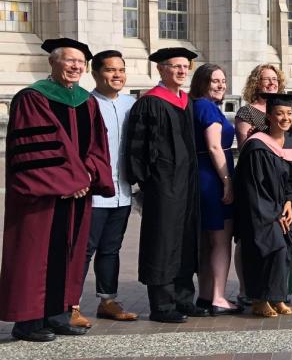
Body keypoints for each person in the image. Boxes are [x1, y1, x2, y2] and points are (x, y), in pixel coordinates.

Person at [0, 39, 115, 342]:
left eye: (81, 62)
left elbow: (97, 146)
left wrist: (87, 176)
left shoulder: (87, 101)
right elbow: (37, 150)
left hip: (77, 193)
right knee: (35, 255)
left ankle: (59, 314)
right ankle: (28, 322)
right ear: (53, 63)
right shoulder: (32, 98)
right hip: (43, 196)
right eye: (70, 60)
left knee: (70, 253)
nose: (77, 66)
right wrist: (68, 182)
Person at [127, 46, 200, 323]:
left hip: (186, 183)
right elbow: (138, 149)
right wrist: (147, 184)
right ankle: (162, 305)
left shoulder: (186, 101)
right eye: (175, 66)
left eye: (185, 67)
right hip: (162, 185)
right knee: (162, 242)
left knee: (185, 239)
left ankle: (183, 299)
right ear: (160, 69)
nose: (182, 71)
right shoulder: (150, 102)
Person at [233, 94, 292, 317]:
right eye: (279, 114)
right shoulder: (257, 146)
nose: (285, 118)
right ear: (269, 117)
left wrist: (288, 202)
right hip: (259, 211)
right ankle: (258, 299)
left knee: (288, 249)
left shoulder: (291, 143)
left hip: (278, 208)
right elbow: (255, 187)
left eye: (289, 114)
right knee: (270, 249)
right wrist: (274, 213)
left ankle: (277, 297)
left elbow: (291, 180)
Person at [84, 49, 138, 322]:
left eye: (121, 69)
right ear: (95, 74)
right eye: (110, 70)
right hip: (94, 192)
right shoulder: (84, 104)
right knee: (84, 249)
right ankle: (69, 304)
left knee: (111, 248)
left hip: (123, 190)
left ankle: (108, 301)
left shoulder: (132, 104)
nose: (117, 75)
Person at [190, 63, 237, 314]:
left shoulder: (196, 105)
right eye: (215, 81)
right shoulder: (207, 108)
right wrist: (227, 180)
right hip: (213, 176)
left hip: (203, 174)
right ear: (202, 82)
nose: (221, 85)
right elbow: (215, 147)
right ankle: (219, 297)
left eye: (223, 80)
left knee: (208, 241)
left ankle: (207, 295)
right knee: (221, 240)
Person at [234, 63, 284, 145]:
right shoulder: (246, 111)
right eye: (266, 79)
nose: (272, 82)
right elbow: (243, 148)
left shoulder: (284, 109)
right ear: (256, 83)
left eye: (274, 79)